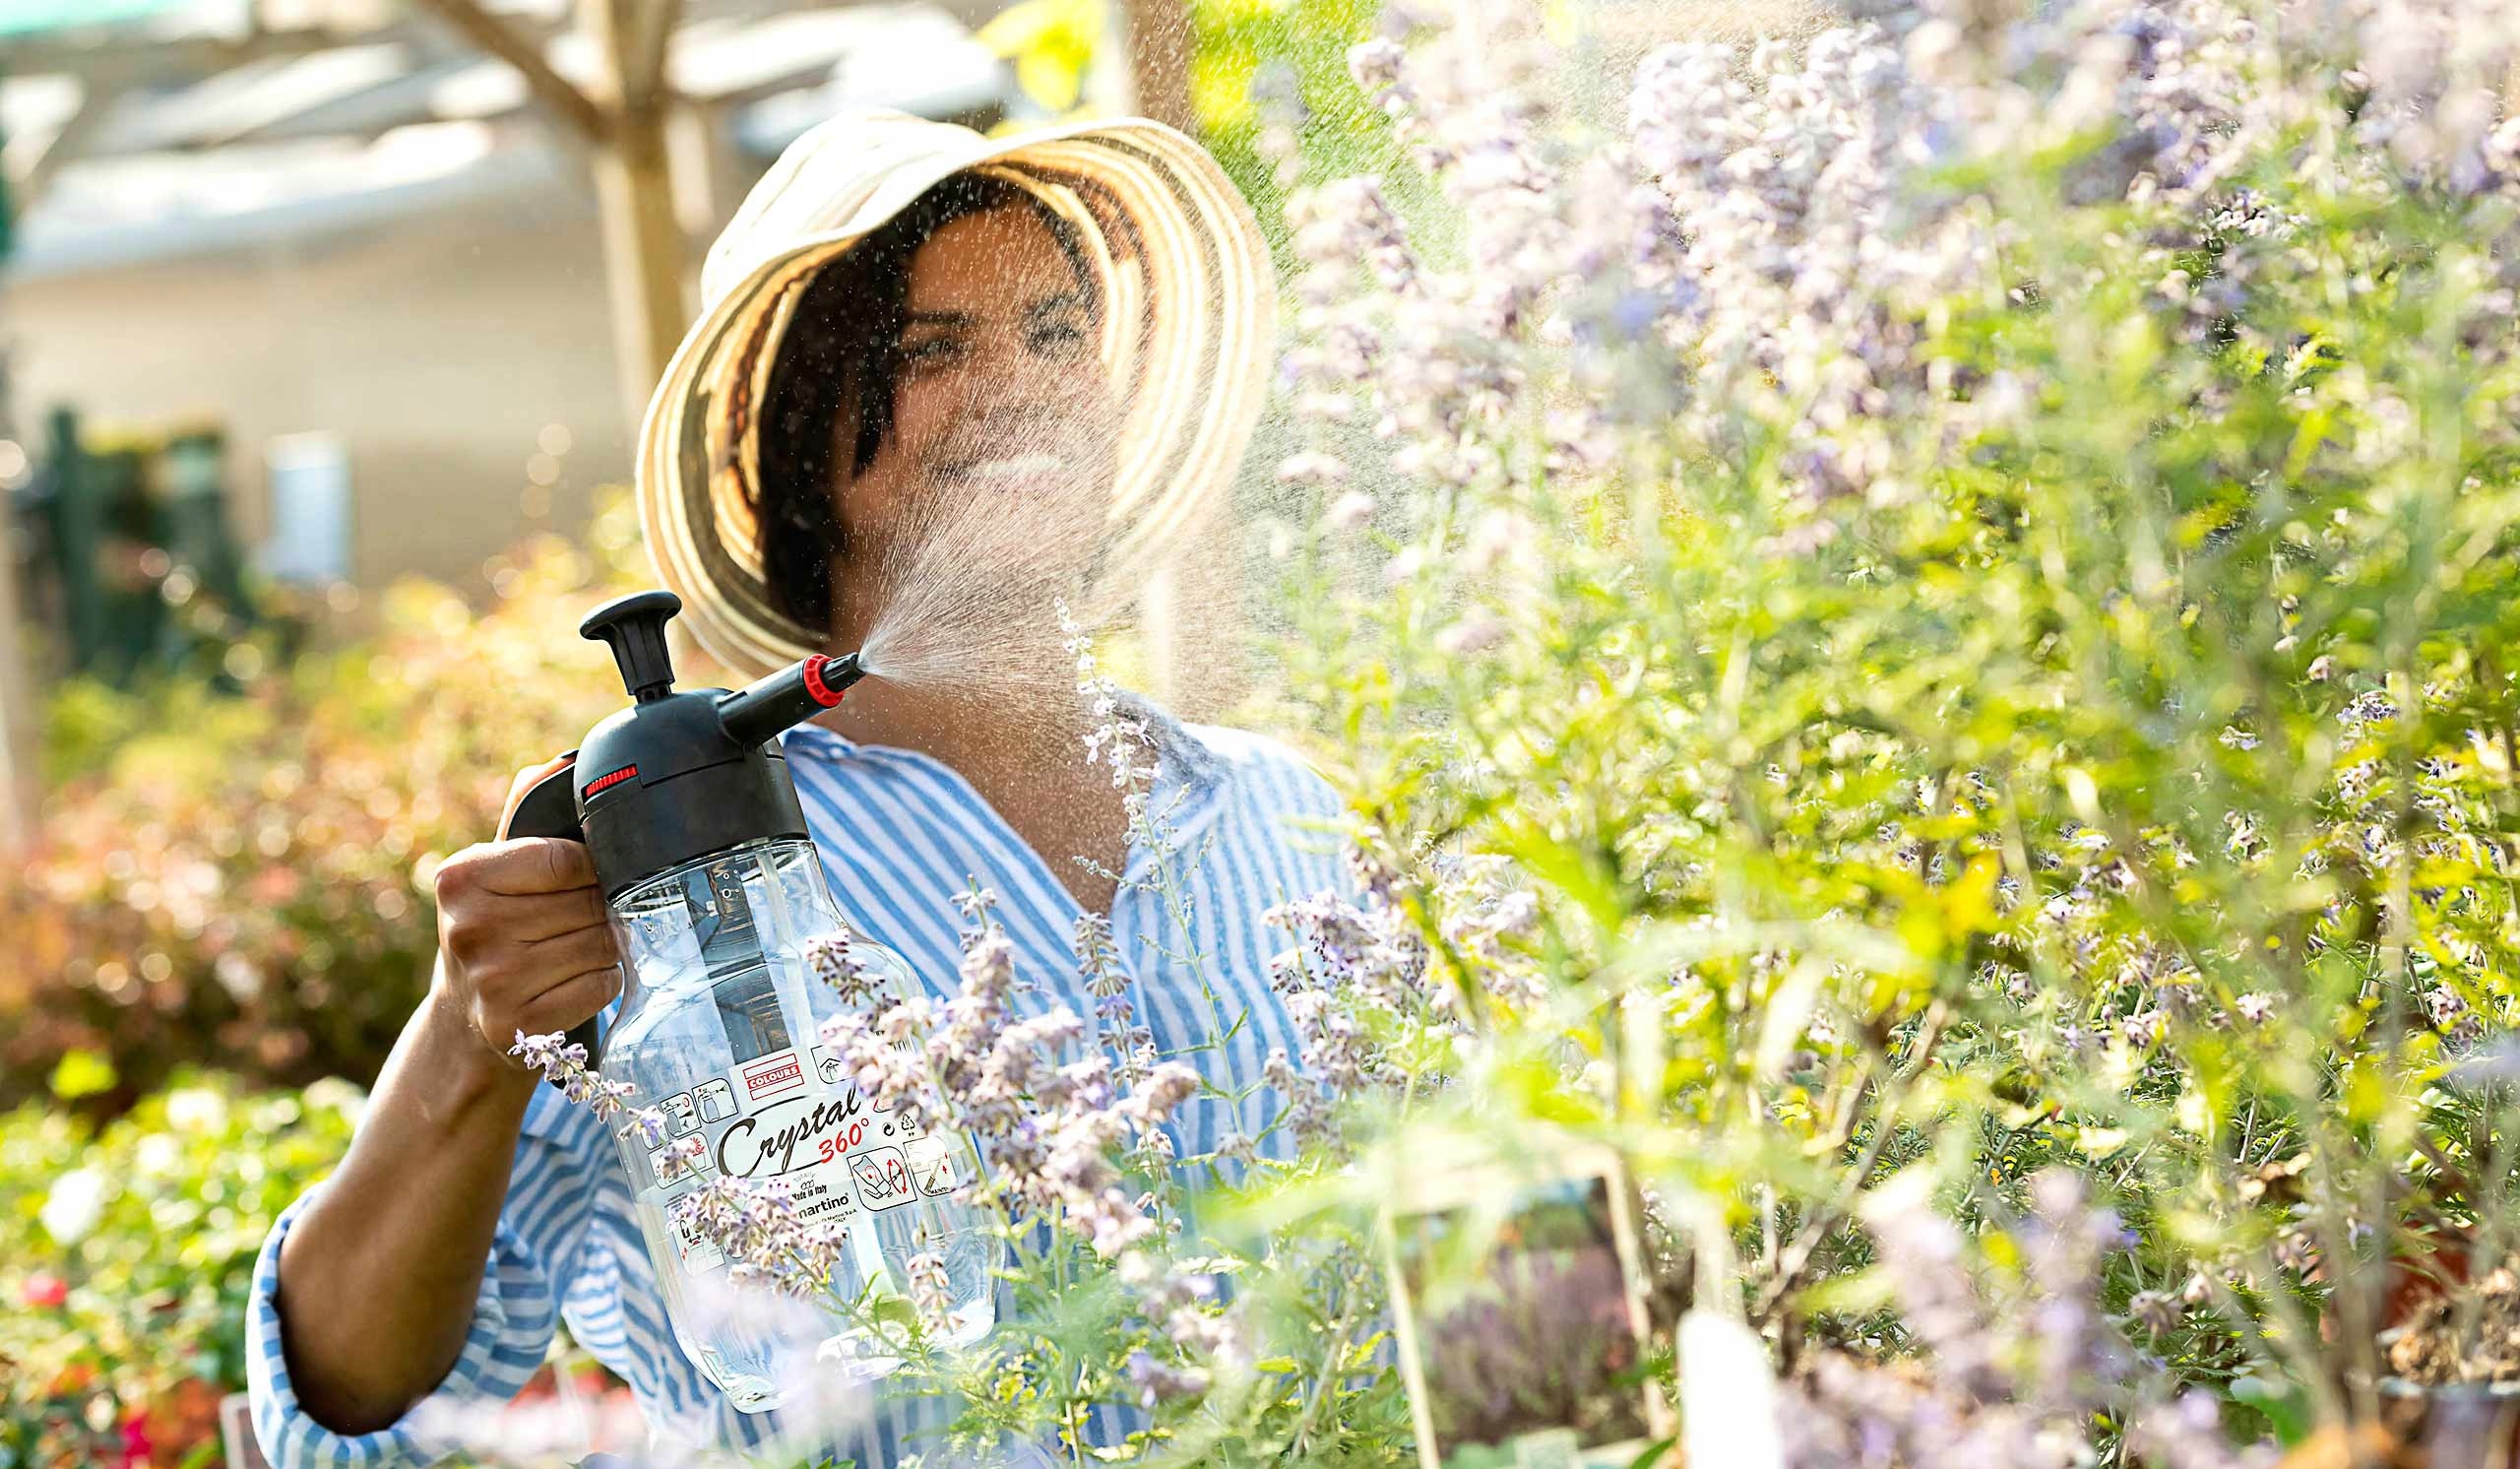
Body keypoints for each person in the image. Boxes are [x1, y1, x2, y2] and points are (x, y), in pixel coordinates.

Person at [244, 109, 1343, 1467]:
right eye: (930, 350)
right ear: (793, 437)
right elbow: (351, 1404)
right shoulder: (668, 890)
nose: (1021, 384)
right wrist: (472, 1038)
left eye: (1059, 334)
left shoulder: (1287, 822)